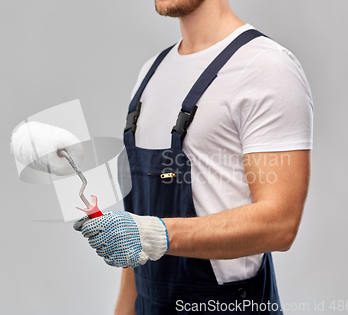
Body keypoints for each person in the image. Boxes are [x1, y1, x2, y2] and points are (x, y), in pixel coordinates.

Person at [73, 0, 313, 314]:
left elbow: (280, 224)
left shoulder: (266, 67)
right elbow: (137, 243)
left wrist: (156, 234)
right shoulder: (151, 73)